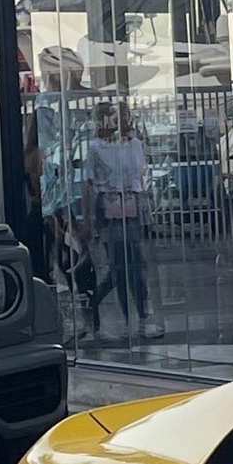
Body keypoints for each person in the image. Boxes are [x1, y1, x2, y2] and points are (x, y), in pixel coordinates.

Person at [84, 101, 158, 342]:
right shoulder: (95, 148)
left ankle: (142, 316)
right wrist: (90, 221)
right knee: (120, 267)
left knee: (137, 264)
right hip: (109, 208)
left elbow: (140, 177)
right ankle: (107, 308)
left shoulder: (134, 145)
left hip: (132, 207)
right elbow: (90, 184)